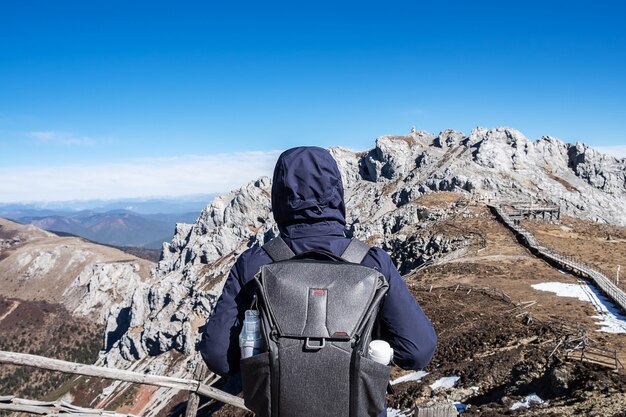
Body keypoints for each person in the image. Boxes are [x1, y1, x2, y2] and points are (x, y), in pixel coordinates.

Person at [200, 146, 437, 415]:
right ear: (337, 192)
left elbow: (218, 356)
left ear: (279, 195)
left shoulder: (255, 263)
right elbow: (418, 351)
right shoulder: (371, 262)